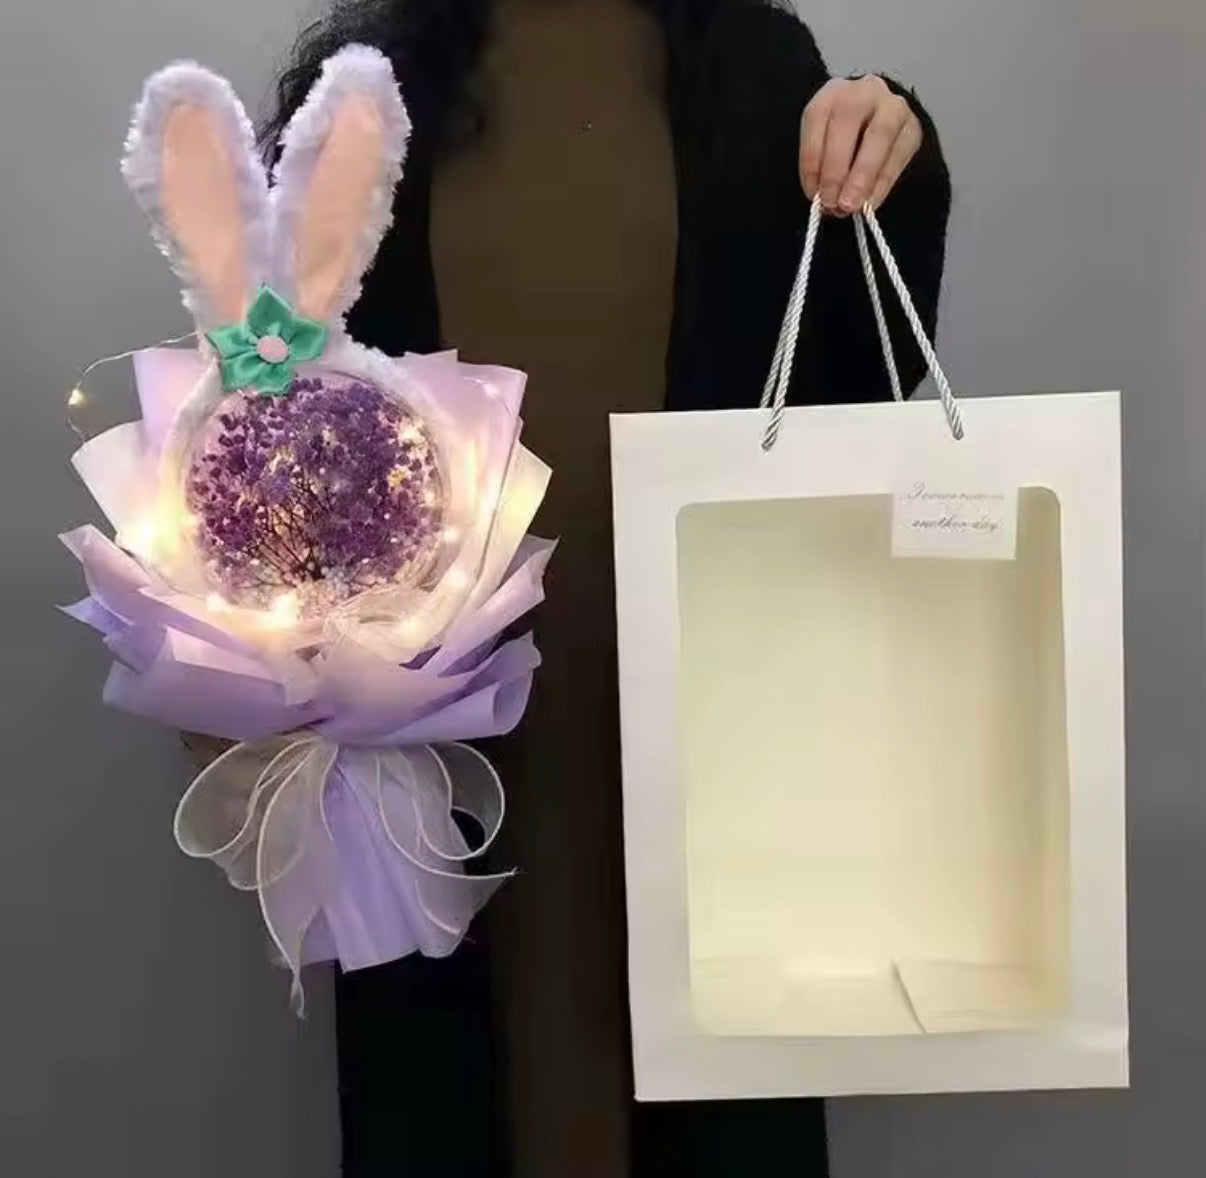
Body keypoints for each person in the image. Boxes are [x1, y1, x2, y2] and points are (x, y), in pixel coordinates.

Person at [265, 2, 951, 1176]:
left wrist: (889, 148)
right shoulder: (363, 89)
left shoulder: (754, 69)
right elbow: (280, 422)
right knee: (455, 1095)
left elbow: (854, 384)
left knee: (714, 1119)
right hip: (448, 754)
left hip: (714, 737)